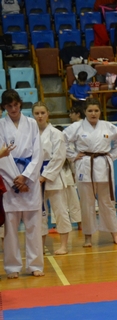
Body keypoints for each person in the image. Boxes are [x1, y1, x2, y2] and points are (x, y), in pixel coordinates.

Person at [64, 98, 117, 247]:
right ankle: (88, 237)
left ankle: (114, 233)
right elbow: (62, 141)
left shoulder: (108, 126)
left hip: (104, 165)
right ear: (84, 112)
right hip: (85, 165)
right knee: (87, 204)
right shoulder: (76, 127)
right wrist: (73, 155)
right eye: (90, 111)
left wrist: (111, 156)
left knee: (108, 202)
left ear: (100, 112)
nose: (93, 113)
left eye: (96, 110)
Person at [0, 90, 45, 279]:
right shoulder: (0, 125)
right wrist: (16, 180)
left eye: (15, 105)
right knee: (10, 228)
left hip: (29, 179)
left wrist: (25, 177)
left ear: (20, 104)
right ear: (4, 107)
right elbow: (2, 155)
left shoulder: (32, 123)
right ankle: (12, 267)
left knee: (34, 225)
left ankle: (35, 265)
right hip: (9, 180)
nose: (13, 109)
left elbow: (38, 153)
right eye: (9, 106)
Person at [33, 102, 72, 255]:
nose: (40, 116)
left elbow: (59, 157)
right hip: (35, 176)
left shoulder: (56, 133)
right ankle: (40, 246)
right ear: (33, 115)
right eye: (37, 113)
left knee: (60, 210)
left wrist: (45, 176)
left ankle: (64, 245)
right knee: (39, 212)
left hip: (53, 177)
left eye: (42, 113)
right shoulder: (30, 133)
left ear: (48, 113)